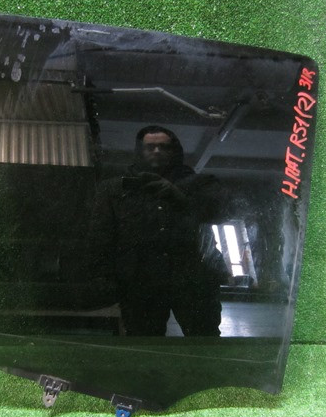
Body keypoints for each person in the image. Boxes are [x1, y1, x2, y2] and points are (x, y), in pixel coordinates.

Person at [88, 125, 229, 336]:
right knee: (145, 341)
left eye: (163, 147)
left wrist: (180, 197)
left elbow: (222, 214)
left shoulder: (200, 184)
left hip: (192, 279)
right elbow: (101, 235)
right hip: (141, 282)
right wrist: (103, 276)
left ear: (174, 151)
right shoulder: (116, 189)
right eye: (150, 147)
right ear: (140, 150)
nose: (156, 151)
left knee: (204, 338)